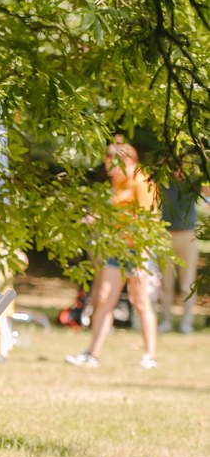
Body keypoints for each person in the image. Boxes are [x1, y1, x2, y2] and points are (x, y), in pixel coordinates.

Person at [66, 137, 160, 369]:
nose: (106, 165)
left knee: (140, 301)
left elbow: (149, 222)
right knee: (103, 299)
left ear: (125, 159)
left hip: (137, 251)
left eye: (110, 159)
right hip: (115, 250)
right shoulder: (116, 183)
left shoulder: (141, 181)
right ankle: (92, 354)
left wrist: (141, 258)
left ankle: (149, 356)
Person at [157, 166, 204, 334]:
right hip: (166, 234)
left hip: (188, 235)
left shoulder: (194, 182)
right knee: (166, 283)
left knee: (187, 283)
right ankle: (166, 322)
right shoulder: (163, 181)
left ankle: (186, 323)